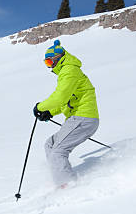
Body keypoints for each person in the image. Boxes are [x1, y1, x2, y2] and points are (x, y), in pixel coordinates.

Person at [33, 40, 99, 188]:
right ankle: (59, 178)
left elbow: (60, 96)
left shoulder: (70, 70)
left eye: (50, 62)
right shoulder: (66, 73)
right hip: (75, 118)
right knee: (50, 144)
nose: (49, 66)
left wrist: (40, 107)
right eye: (46, 63)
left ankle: (67, 186)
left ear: (58, 58)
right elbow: (66, 101)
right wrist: (49, 112)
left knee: (58, 151)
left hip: (84, 117)